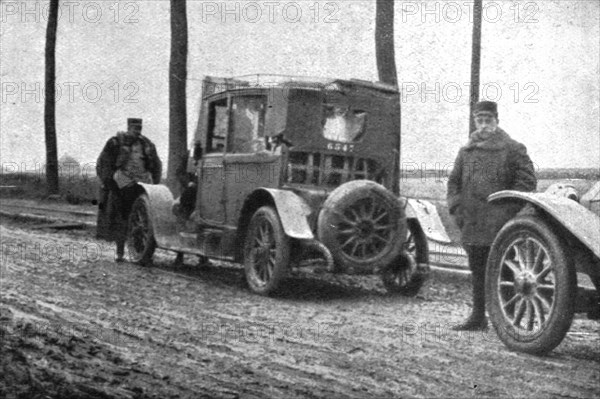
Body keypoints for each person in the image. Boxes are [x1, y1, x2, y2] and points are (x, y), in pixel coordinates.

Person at [447, 101, 536, 330]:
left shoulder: (513, 148)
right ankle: (478, 317)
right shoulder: (466, 151)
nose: (484, 125)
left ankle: (506, 321)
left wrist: (507, 212)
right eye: (480, 120)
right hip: (472, 220)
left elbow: (526, 183)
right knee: (477, 269)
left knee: (504, 270)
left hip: (500, 223)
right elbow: (453, 182)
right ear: (475, 121)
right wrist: (457, 209)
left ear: (497, 120)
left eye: (488, 120)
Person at [96, 118, 162, 262]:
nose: (137, 132)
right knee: (122, 217)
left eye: (139, 129)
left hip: (142, 185)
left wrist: (154, 184)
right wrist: (110, 182)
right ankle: (119, 253)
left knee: (144, 219)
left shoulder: (147, 144)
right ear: (128, 128)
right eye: (134, 129)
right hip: (122, 184)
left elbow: (156, 164)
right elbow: (104, 163)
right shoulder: (115, 142)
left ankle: (142, 252)